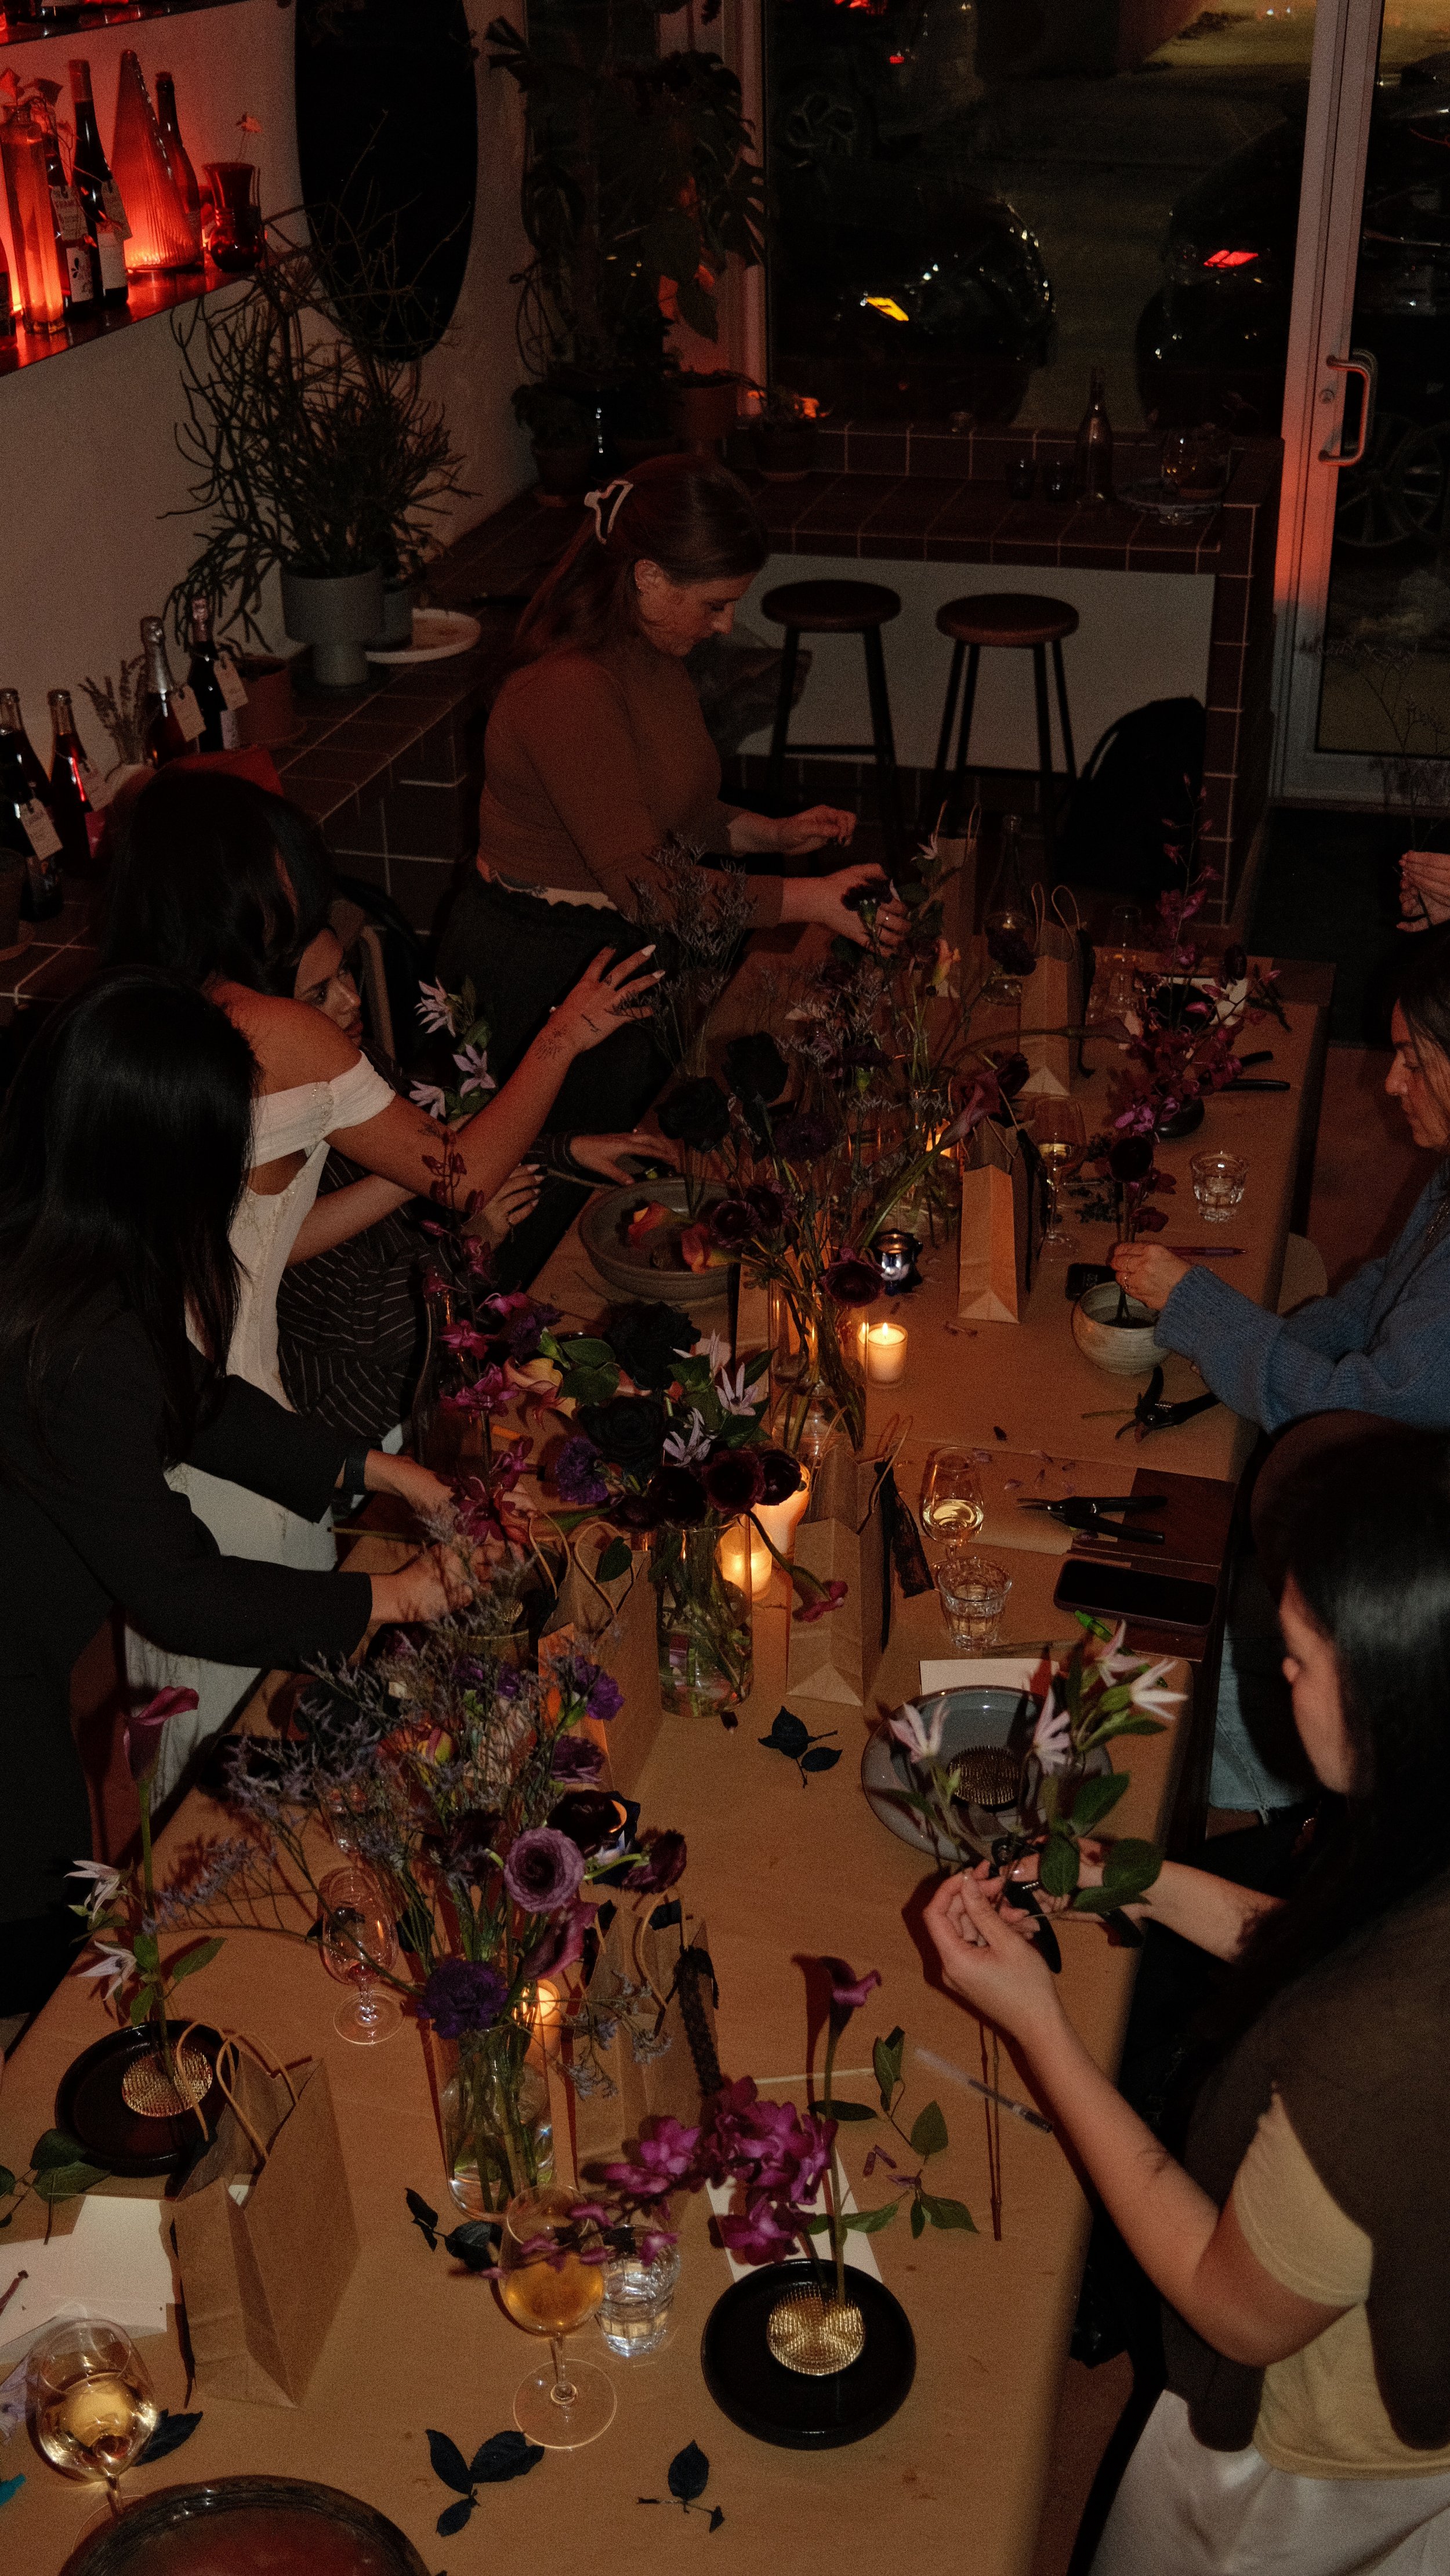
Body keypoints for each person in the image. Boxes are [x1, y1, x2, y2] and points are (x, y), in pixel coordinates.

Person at [925, 1427, 1450, 2575]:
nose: (1279, 1673)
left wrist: (1037, 2026)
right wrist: (1134, 1875)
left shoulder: (1388, 2051)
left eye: (1302, 1655)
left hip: (1314, 2455)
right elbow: (1316, 1952)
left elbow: (1234, 2305)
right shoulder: (1415, 1856)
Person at [104, 769, 659, 1788]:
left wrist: (407, 1190)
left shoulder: (150, 1026)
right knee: (269, 1726)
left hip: (154, 1416)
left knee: (194, 1723)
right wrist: (564, 1036)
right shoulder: (278, 1030)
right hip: (241, 1433)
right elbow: (468, 1170)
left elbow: (262, 1235)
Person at [0, 972, 472, 2013]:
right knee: (38, 1934)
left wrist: (365, 1467)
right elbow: (176, 1589)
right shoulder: (73, 1334)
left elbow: (193, 1392)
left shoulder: (71, 1233)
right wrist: (391, 1597)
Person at [436, 451, 908, 1130]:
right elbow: (645, 883)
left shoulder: (647, 651)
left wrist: (771, 833)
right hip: (539, 970)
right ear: (649, 578)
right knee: (557, 1188)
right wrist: (807, 900)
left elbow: (675, 811)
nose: (724, 625)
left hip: (609, 953)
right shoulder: (568, 689)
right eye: (715, 604)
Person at [1111, 928, 1450, 1811]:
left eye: (1414, 1058)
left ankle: (1256, 1789)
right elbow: (1383, 1291)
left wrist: (1202, 1311)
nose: (1388, 1081)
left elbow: (1354, 1411)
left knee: (1171, 1678)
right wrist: (1271, 1330)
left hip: (1409, 1562)